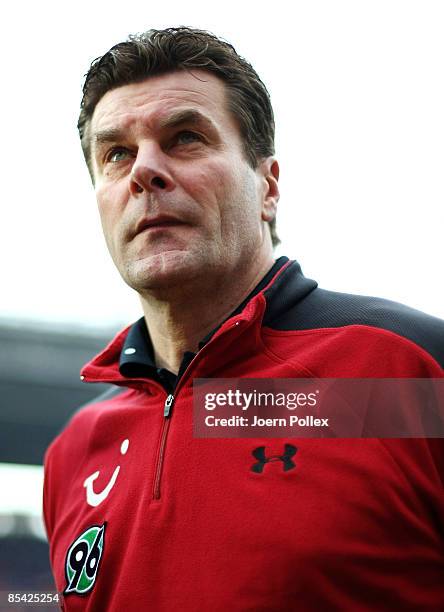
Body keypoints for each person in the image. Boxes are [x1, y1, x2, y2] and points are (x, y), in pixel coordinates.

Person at [43, 27, 444, 611]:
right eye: (116, 154)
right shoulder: (74, 452)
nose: (143, 172)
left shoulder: (406, 372)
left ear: (268, 187)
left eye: (184, 138)